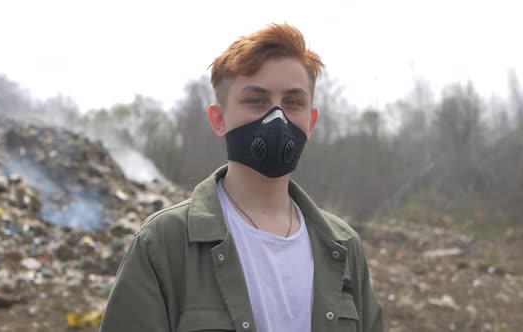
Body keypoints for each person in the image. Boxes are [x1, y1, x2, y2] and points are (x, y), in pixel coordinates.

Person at [100, 23, 384, 332]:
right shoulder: (164, 244)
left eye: (292, 102)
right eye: (256, 100)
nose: (277, 118)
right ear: (219, 120)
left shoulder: (343, 246)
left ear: (311, 121)